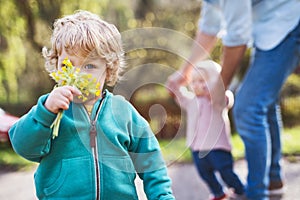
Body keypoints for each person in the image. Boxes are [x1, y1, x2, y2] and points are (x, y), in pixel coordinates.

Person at [9, 10, 175, 200]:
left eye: (89, 66)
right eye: (67, 66)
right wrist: (45, 112)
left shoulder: (124, 113)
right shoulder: (50, 110)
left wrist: (162, 196)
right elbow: (23, 147)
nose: (78, 74)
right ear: (56, 66)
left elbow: (151, 161)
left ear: (109, 69)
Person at [174, 1, 300, 199]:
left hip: (288, 25)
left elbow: (237, 37)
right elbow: (209, 27)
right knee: (262, 103)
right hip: (270, 32)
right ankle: (272, 180)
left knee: (249, 107)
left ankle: (257, 193)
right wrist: (184, 72)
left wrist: (220, 85)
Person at [167, 60, 245, 200]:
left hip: (217, 146)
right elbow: (177, 93)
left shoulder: (217, 100)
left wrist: (216, 89)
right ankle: (218, 193)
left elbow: (227, 99)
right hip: (197, 147)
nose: (197, 85)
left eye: (203, 81)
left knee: (226, 172)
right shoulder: (191, 101)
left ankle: (241, 191)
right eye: (194, 81)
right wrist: (177, 80)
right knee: (204, 173)